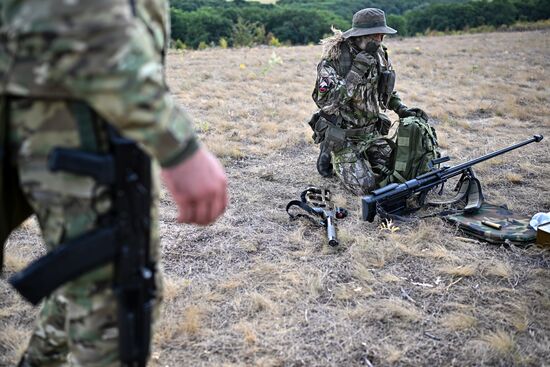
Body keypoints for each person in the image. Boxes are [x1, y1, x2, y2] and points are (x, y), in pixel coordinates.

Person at [0, 0, 227, 365]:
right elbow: (79, 18)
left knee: (91, 280)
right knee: (115, 312)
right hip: (77, 111)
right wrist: (175, 143)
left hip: (49, 96)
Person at [309, 8, 429, 195]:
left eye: (382, 34)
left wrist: (401, 109)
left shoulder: (379, 54)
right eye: (376, 35)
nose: (380, 39)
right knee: (367, 188)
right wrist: (356, 71)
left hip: (370, 133)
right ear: (359, 35)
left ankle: (360, 156)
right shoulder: (334, 60)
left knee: (401, 171)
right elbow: (327, 104)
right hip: (343, 136)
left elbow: (386, 90)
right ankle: (329, 150)